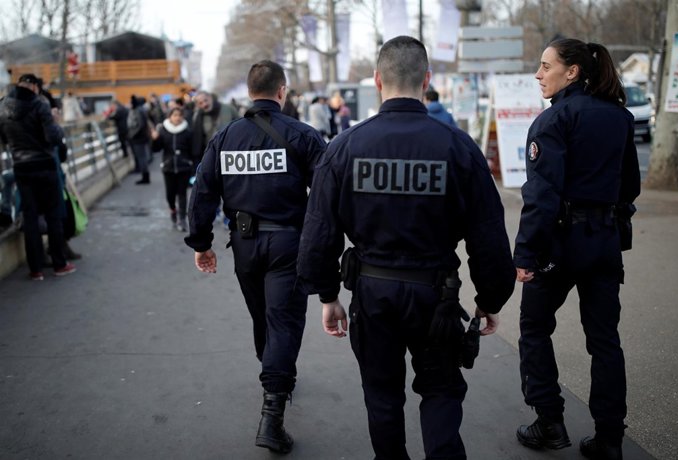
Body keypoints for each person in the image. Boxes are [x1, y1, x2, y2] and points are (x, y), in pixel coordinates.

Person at [296, 36, 516, 460]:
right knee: (441, 389)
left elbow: (318, 233)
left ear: (378, 80)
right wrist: (490, 298)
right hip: (435, 296)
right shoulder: (458, 148)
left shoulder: (343, 148)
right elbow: (488, 234)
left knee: (381, 394)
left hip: (372, 295)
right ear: (426, 80)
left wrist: (328, 296)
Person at [185, 60, 326, 454]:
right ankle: (272, 414)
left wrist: (201, 243)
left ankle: (275, 373)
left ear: (250, 92)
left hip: (244, 245)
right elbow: (328, 194)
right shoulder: (302, 135)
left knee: (263, 315)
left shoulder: (226, 136)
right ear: (282, 90)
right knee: (282, 320)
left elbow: (203, 192)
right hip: (288, 243)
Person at [513, 38, 640, 460]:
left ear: (572, 72)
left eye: (546, 66)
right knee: (605, 341)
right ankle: (610, 439)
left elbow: (542, 197)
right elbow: (630, 186)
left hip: (560, 243)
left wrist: (525, 255)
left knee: (533, 328)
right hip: (603, 239)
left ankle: (549, 422)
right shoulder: (620, 117)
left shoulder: (553, 121)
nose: (538, 74)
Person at [0, 73, 76, 280]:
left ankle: (36, 269)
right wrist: (57, 125)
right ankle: (60, 264)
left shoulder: (3, 106)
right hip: (44, 166)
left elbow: (3, 138)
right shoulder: (38, 104)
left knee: (30, 217)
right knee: (53, 215)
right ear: (33, 86)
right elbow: (51, 136)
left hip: (21, 167)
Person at [151, 107, 194, 232]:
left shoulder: (187, 132)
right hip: (168, 167)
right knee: (170, 195)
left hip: (184, 167)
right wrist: (155, 139)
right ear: (170, 117)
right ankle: (173, 210)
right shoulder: (164, 131)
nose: (177, 117)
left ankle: (182, 219)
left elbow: (192, 150)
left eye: (180, 115)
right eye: (175, 115)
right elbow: (156, 149)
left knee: (182, 194)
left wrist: (192, 165)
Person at [190, 90, 240, 168]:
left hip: (231, 153)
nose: (204, 104)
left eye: (205, 100)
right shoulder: (197, 117)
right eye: (200, 103)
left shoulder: (229, 109)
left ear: (210, 98)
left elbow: (240, 127)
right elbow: (197, 140)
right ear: (198, 105)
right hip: (211, 157)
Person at [128, 95, 151, 184]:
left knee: (142, 157)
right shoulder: (141, 110)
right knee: (142, 157)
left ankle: (145, 177)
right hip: (141, 137)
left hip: (139, 138)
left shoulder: (138, 111)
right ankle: (145, 176)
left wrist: (132, 134)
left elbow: (140, 125)